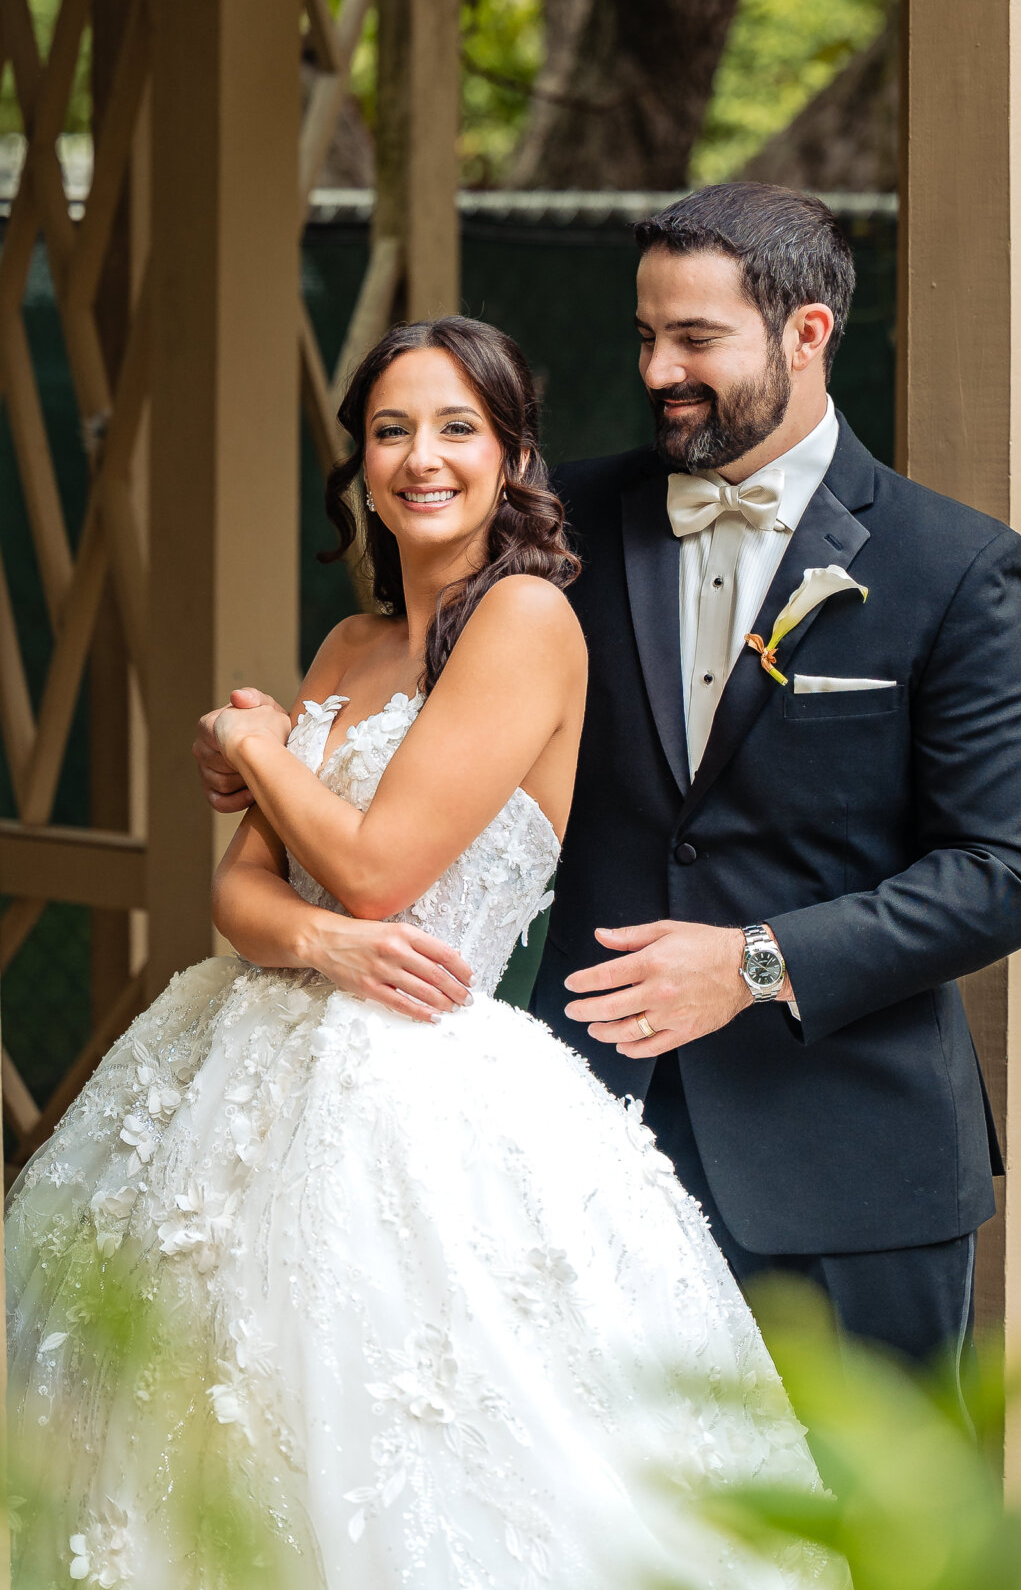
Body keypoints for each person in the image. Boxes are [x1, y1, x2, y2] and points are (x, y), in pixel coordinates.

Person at [6, 318, 826, 1590]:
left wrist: (253, 742)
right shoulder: (346, 647)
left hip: (422, 1092)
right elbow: (242, 895)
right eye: (391, 431)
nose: (420, 459)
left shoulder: (527, 622)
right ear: (360, 465)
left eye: (456, 428)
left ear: (509, 456)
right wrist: (323, 937)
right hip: (242, 1065)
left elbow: (383, 865)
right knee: (202, 1406)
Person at [196, 182, 1021, 1375]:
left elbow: (1002, 874)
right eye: (645, 337)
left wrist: (756, 962)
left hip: (847, 1156)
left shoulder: (953, 566)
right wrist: (264, 740)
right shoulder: (553, 526)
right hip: (579, 1136)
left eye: (694, 339)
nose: (658, 371)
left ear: (805, 333)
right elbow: (406, 695)